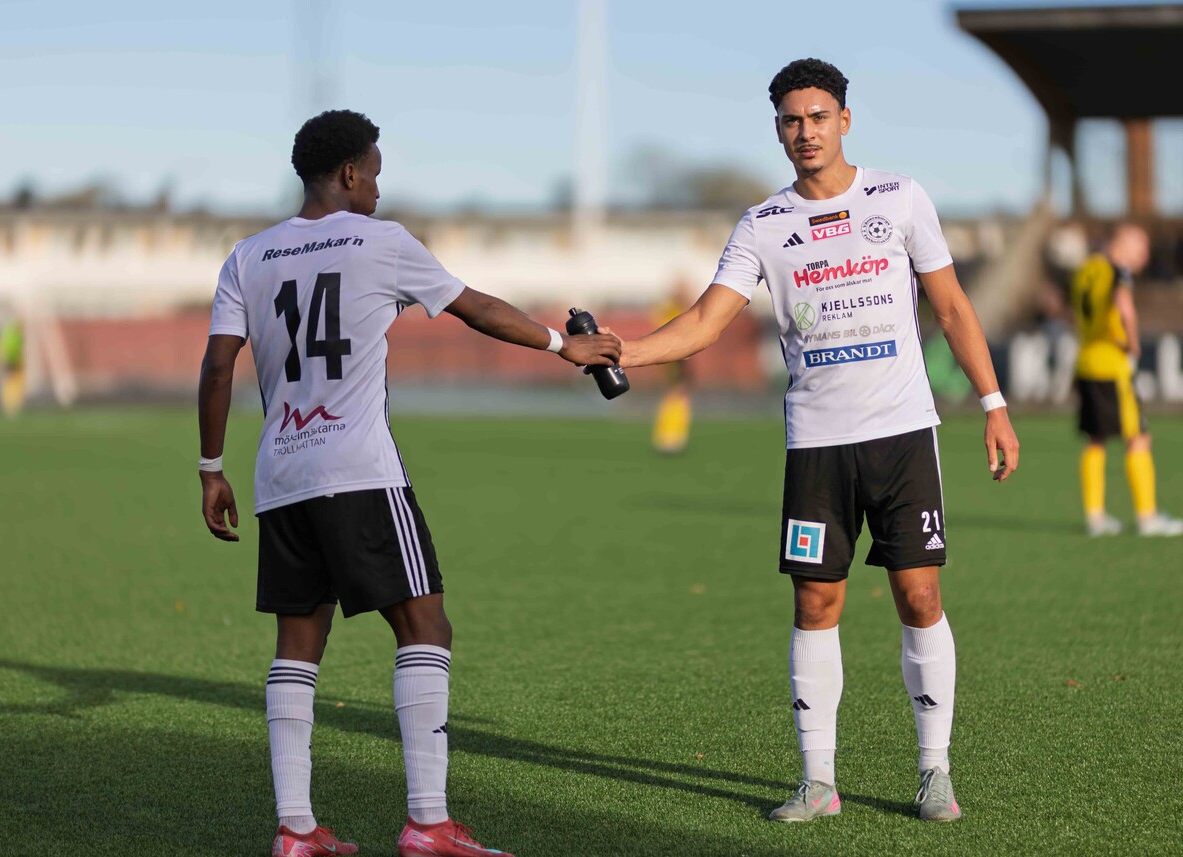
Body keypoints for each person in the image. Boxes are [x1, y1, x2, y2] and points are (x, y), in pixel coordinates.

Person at [197, 109, 621, 857]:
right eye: (375, 174)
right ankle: (428, 822)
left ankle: (296, 830)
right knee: (426, 626)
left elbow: (217, 365)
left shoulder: (248, 256)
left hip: (281, 473)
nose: (378, 189)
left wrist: (210, 469)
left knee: (297, 643)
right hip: (358, 469)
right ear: (349, 172)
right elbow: (475, 308)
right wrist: (564, 344)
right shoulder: (380, 241)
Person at [613, 58, 1019, 823]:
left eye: (818, 116)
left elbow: (953, 308)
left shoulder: (900, 197)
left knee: (920, 594)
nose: (806, 131)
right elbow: (705, 321)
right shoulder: (763, 224)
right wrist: (623, 351)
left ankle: (934, 770)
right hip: (817, 444)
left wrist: (994, 404)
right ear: (778, 129)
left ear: (845, 120)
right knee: (815, 599)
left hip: (902, 434)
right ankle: (818, 780)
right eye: (792, 120)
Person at [1070, 224, 1183, 537]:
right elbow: (1124, 308)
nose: (1144, 256)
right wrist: (1133, 344)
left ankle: (1095, 517)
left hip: (1087, 361)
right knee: (1139, 438)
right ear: (1125, 244)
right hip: (1112, 364)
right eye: (1141, 248)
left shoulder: (1086, 269)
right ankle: (1148, 517)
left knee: (1095, 439)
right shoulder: (1116, 270)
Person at [650, 278, 695, 453]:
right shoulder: (671, 310)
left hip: (680, 356)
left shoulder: (680, 309)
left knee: (678, 395)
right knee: (675, 394)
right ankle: (669, 437)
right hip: (674, 357)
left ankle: (673, 435)